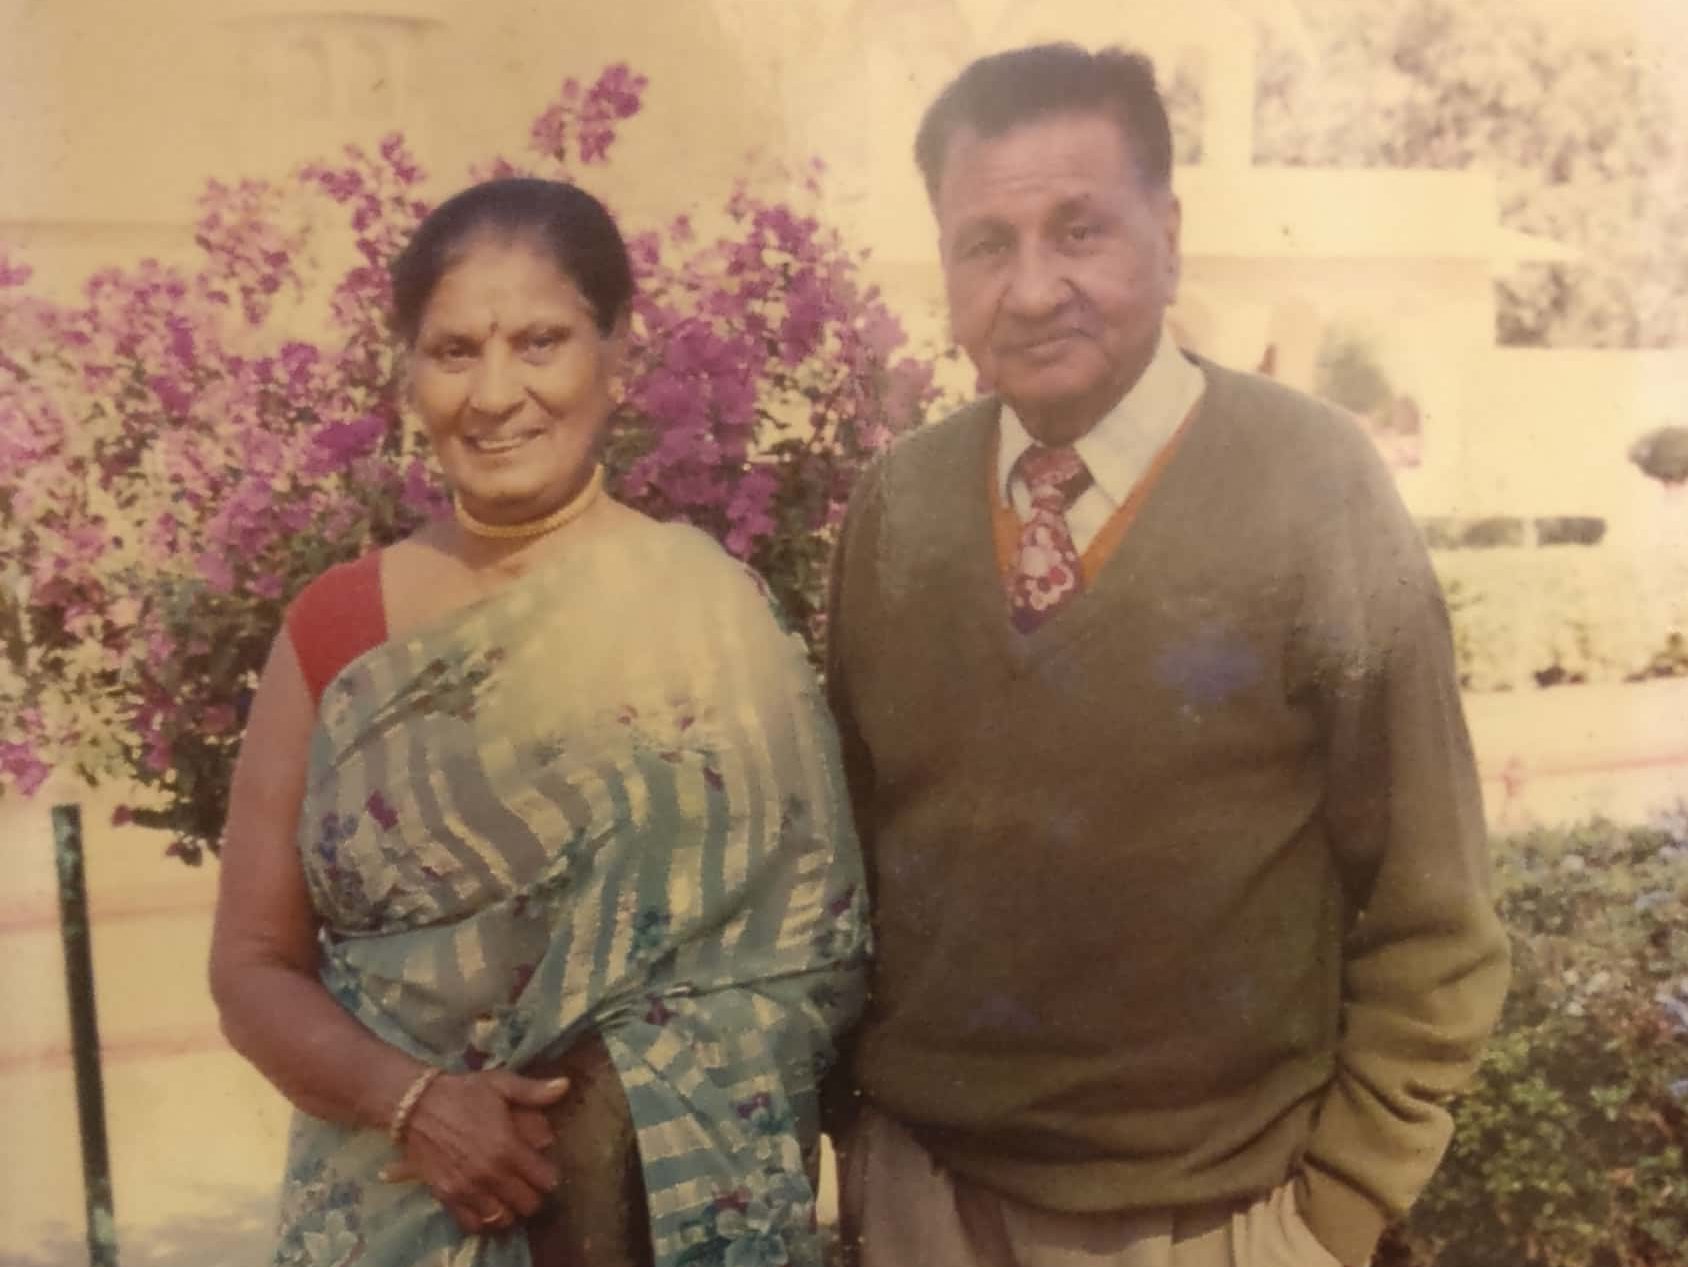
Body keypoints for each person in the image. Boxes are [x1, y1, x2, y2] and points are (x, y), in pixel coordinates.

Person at [824, 44, 1509, 1267]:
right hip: (925, 1197)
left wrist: (1334, 1213)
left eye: (1077, 229)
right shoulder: (900, 505)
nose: (1031, 290)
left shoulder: (1312, 487)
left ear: (1168, 235)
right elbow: (849, 868)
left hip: (1215, 1216)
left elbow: (1429, 900)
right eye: (985, 244)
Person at [209, 177, 869, 1267]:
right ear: (407, 374)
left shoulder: (709, 613)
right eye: (454, 349)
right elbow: (249, 964)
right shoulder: (336, 628)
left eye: (540, 341)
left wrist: (615, 1112)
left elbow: (810, 950)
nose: (495, 391)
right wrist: (417, 1101)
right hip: (395, 1209)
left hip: (652, 1223)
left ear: (616, 354)